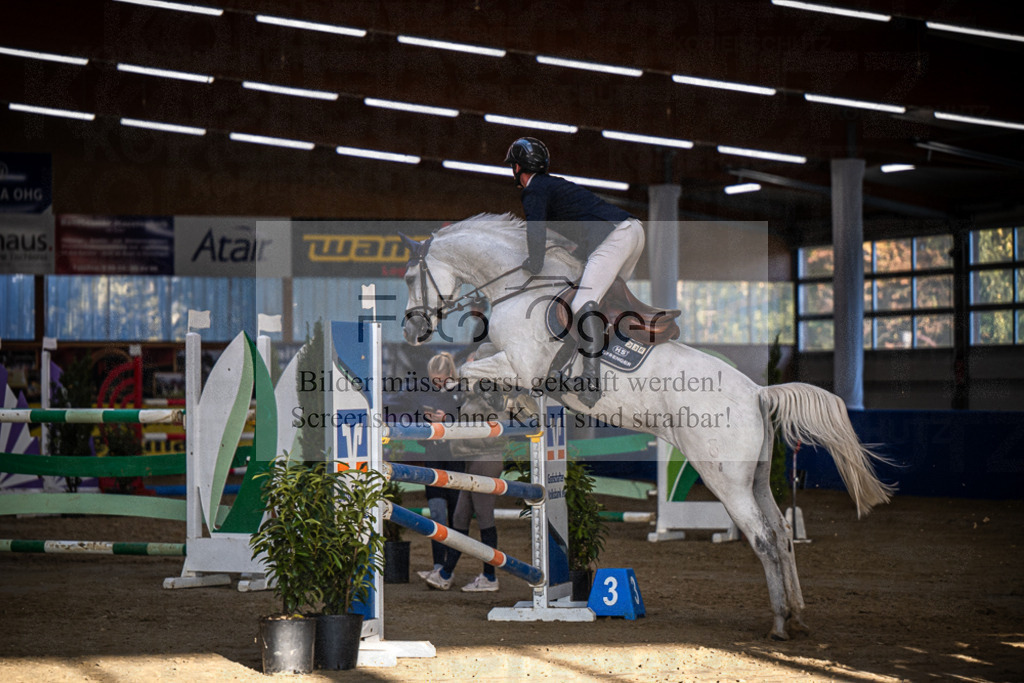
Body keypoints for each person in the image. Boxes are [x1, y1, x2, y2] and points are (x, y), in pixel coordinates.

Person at [504, 136, 645, 407]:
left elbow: (535, 228)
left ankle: (591, 381)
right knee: (600, 302)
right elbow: (585, 220)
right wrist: (577, 255)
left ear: (518, 168)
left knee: (582, 303)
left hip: (615, 235)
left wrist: (534, 263)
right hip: (632, 231)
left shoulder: (534, 189)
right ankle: (589, 364)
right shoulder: (553, 185)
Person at [423, 386, 509, 592]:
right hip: (471, 460)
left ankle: (489, 576)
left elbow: (493, 435)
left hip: (485, 460)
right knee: (461, 516)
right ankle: (445, 574)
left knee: (484, 517)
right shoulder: (472, 399)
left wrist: (454, 429)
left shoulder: (494, 400)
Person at [416, 352, 465, 579]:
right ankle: (438, 565)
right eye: (433, 379)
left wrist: (448, 420)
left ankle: (449, 568)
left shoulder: (462, 393)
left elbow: (471, 426)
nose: (436, 383)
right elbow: (418, 435)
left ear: (449, 374)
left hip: (455, 461)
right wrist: (426, 424)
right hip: (434, 458)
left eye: (440, 379)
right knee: (437, 514)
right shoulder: (425, 393)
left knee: (456, 517)